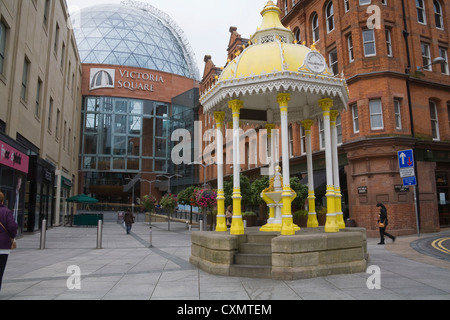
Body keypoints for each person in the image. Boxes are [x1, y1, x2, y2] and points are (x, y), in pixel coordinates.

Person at [0, 192, 18, 292]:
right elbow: (12, 226)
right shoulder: (6, 212)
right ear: (2, 200)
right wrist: (12, 236)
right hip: (2, 247)